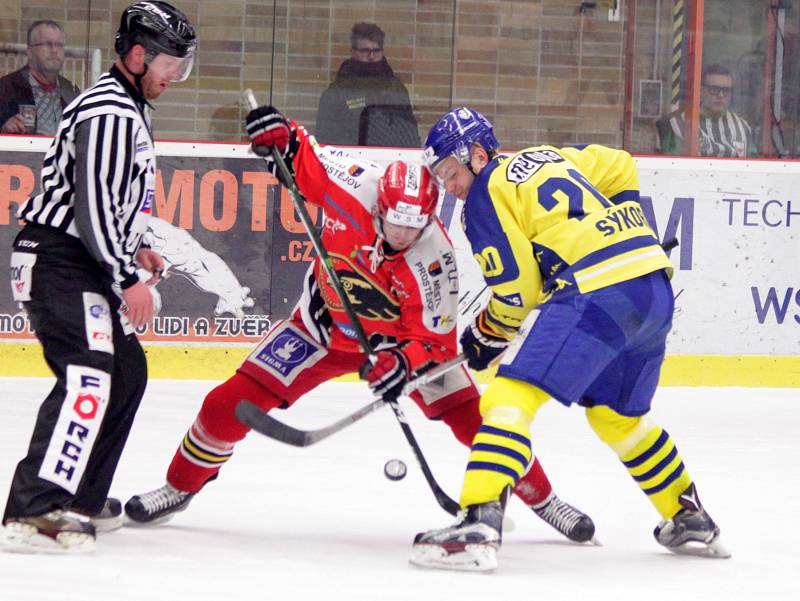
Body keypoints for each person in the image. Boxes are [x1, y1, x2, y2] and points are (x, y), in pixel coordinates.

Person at [123, 105, 596, 546]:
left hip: (396, 344)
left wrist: (402, 361)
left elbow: (434, 340)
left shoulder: (436, 260)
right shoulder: (353, 185)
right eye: (394, 225)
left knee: (477, 420)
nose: (402, 237)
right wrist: (280, 135)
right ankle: (178, 485)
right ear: (378, 206)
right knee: (225, 403)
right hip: (320, 328)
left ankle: (544, 498)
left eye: (414, 229)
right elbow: (305, 154)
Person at [411, 107, 729, 571]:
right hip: (653, 288)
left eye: (452, 173)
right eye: (441, 178)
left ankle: (477, 523)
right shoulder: (547, 156)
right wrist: (623, 225)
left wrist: (486, 334)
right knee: (617, 417)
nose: (450, 187)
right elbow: (621, 164)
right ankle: (689, 515)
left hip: (595, 291)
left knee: (506, 397)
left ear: (478, 156)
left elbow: (517, 292)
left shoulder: (484, 197)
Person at [2, 1, 196, 553]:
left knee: (126, 372)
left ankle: (80, 497)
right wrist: (124, 275)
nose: (174, 76)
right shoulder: (110, 111)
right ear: (138, 55)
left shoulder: (130, 107)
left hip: (80, 259)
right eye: (169, 63)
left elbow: (110, 203)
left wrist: (136, 247)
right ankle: (33, 509)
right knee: (88, 371)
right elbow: (89, 204)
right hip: (59, 261)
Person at [315, 22, 419, 148]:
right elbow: (326, 138)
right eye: (365, 51)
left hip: (389, 158)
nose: (371, 56)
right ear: (353, 51)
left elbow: (409, 135)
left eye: (376, 51)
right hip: (348, 159)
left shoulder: (395, 88)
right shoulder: (337, 92)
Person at [0, 20, 80, 136]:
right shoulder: (6, 88)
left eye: (59, 45)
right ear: (30, 52)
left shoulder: (71, 91)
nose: (54, 50)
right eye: (47, 44)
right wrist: (4, 129)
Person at [658, 64, 755, 157]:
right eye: (714, 89)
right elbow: (673, 166)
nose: (720, 95)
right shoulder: (677, 124)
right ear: (700, 90)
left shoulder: (742, 127)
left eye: (726, 90)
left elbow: (755, 164)